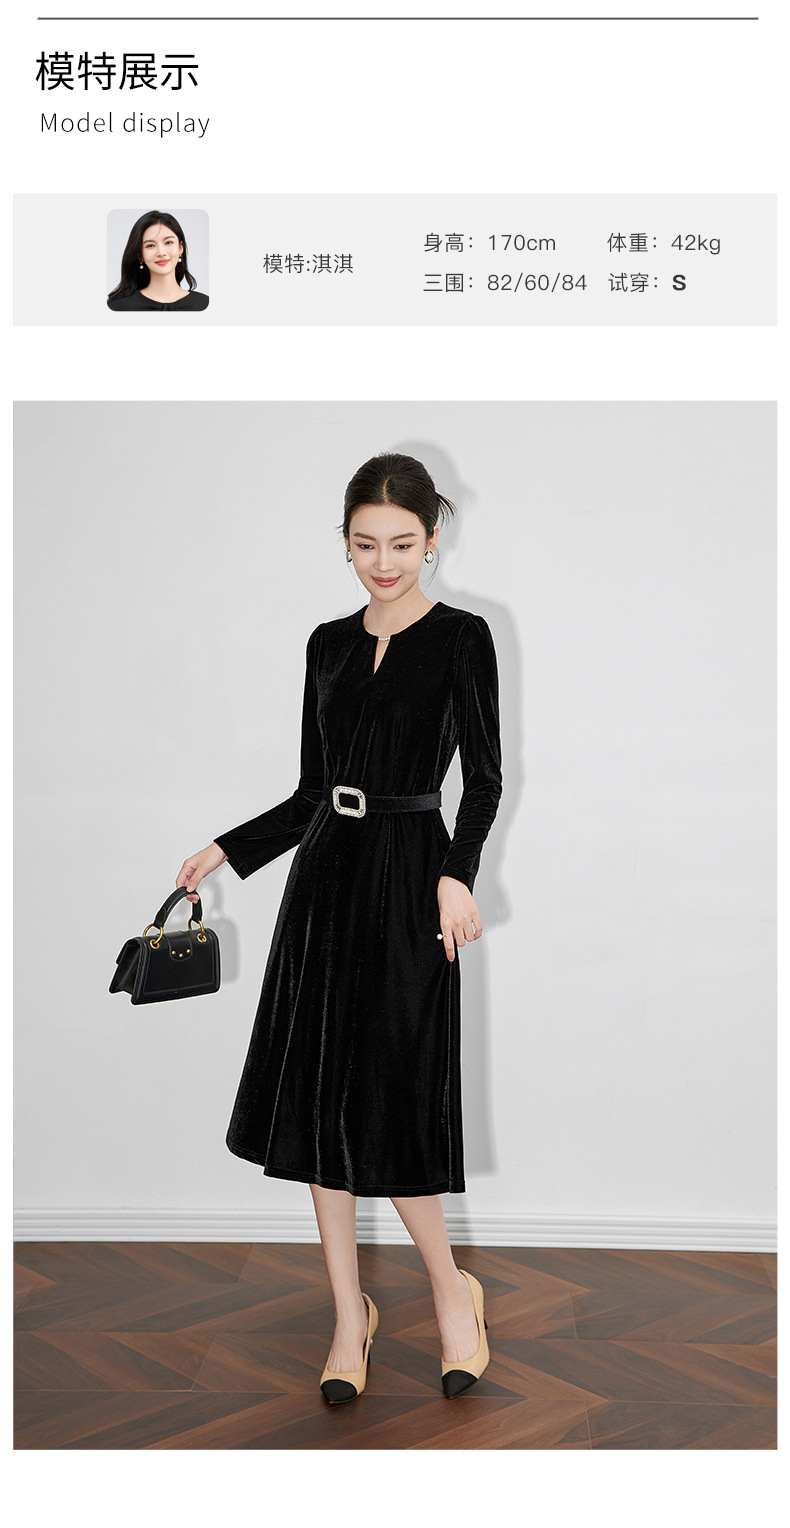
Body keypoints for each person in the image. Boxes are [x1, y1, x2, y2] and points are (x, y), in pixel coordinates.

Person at [177, 452, 503, 1404]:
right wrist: (227, 849)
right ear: (345, 544)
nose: (383, 562)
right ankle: (346, 1317)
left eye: (402, 543)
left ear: (432, 539)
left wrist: (456, 875)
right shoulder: (325, 645)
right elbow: (313, 790)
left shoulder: (464, 637)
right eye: (365, 544)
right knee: (324, 1104)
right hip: (324, 882)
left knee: (394, 1099)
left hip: (412, 880)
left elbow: (484, 779)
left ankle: (451, 1293)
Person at [107, 210, 209, 310]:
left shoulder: (204, 304)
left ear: (180, 248)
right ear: (140, 255)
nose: (161, 252)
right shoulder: (118, 307)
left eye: (168, 242)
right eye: (150, 245)